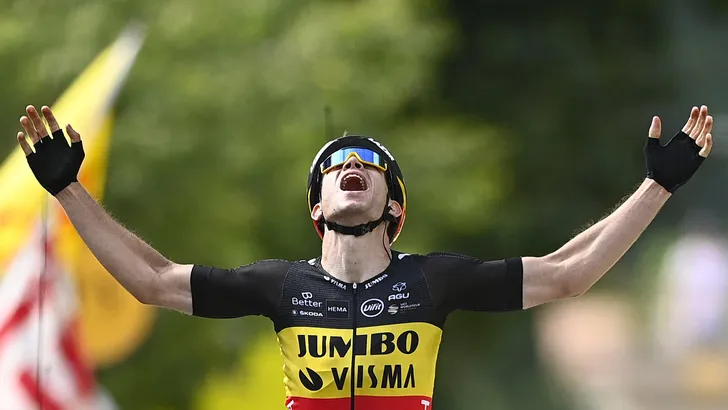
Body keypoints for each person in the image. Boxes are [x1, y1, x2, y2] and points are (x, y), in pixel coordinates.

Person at [15, 103, 714, 410]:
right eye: (335, 165)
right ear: (317, 210)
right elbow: (152, 280)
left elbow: (568, 273)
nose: (351, 165)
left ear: (395, 211)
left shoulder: (435, 279)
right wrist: (69, 190)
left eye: (369, 164)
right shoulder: (280, 287)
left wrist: (657, 186)